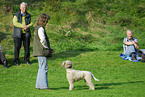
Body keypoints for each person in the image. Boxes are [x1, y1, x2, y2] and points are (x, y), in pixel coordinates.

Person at [33, 13, 54, 90]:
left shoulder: (37, 28)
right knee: (44, 68)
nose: (47, 23)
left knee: (41, 68)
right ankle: (44, 86)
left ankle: (38, 85)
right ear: (44, 21)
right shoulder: (41, 29)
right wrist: (47, 48)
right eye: (46, 21)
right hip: (42, 52)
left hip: (38, 51)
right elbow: (43, 40)